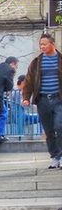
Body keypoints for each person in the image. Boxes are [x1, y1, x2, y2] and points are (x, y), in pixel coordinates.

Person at [22, 32, 62, 168]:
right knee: (49, 131)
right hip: (43, 101)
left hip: (59, 99)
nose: (42, 47)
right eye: (40, 45)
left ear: (52, 44)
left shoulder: (60, 59)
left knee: (59, 126)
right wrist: (26, 98)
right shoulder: (36, 62)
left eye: (45, 44)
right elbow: (28, 82)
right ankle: (55, 157)